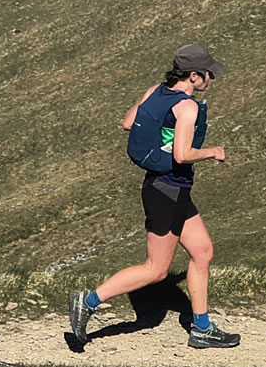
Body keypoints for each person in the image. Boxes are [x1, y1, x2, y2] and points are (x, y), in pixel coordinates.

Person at [68, 43, 240, 349]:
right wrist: (212, 152)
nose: (211, 79)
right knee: (156, 269)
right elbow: (183, 153)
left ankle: (202, 328)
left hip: (169, 189)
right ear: (193, 76)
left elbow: (128, 122)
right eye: (208, 74)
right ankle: (89, 300)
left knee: (202, 251)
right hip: (167, 191)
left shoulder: (156, 90)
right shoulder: (186, 107)